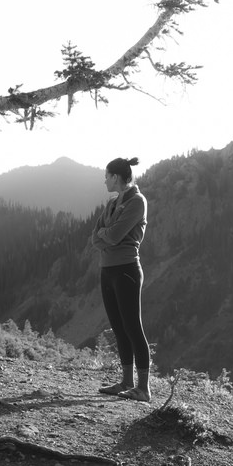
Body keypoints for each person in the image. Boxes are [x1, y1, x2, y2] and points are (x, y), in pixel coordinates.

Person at [91, 157, 152, 402]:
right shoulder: (113, 202)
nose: (104, 180)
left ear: (116, 177)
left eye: (106, 176)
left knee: (132, 327)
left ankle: (144, 388)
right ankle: (126, 382)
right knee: (118, 327)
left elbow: (113, 235)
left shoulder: (137, 201)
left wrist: (105, 233)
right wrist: (105, 234)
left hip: (126, 269)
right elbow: (94, 237)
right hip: (107, 270)